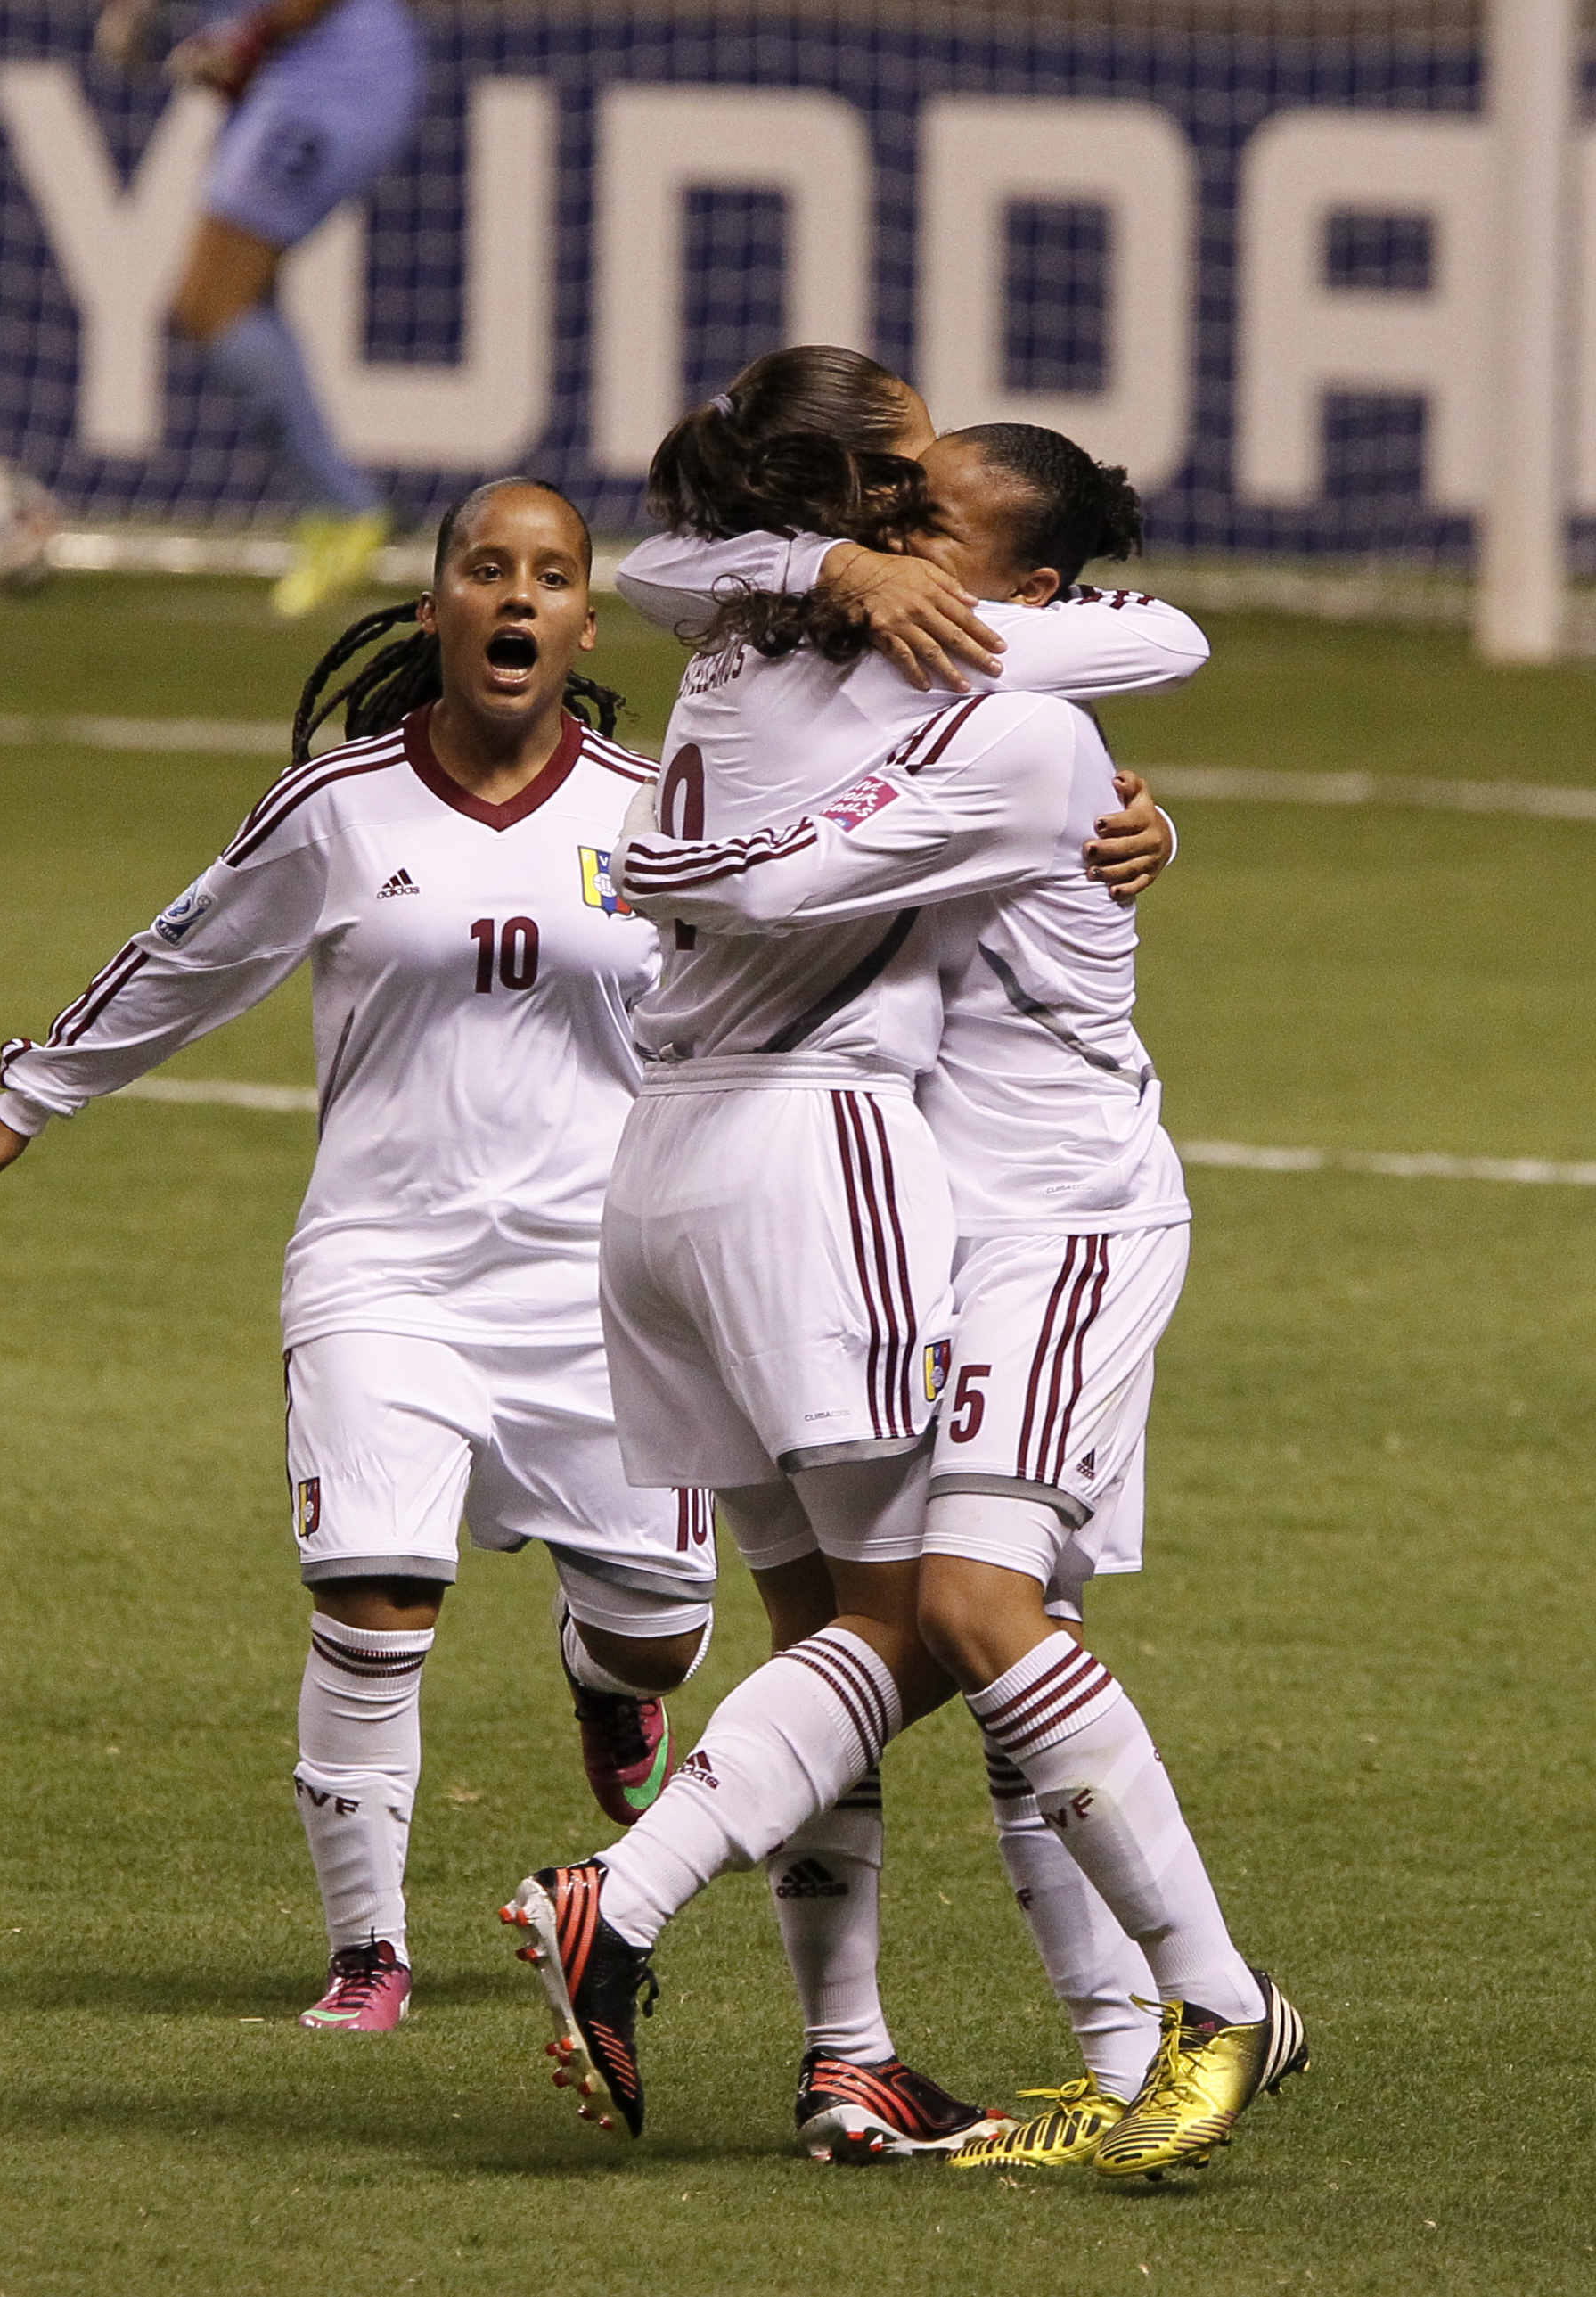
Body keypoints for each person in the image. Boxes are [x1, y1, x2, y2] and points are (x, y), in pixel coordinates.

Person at [502, 419, 1305, 2183]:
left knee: (965, 1609)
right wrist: (821, 575)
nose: (876, 527)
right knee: (930, 1632)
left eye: (919, 515)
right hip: (929, 1227)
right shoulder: (896, 678)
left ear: (1014, 588)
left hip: (1057, 1230)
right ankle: (1058, 2055)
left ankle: (1209, 2002)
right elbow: (688, 572)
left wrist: (645, 863)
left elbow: (783, 878)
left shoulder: (1020, 737)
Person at [0, 479, 718, 2032]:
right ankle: (369, 1951)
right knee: (373, 1600)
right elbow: (193, 946)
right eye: (485, 570)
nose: (516, 597)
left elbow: (797, 954)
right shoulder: (343, 806)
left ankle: (606, 1671)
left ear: (583, 619)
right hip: (387, 1263)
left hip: (599, 1286)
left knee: (665, 1622)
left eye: (550, 575)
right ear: (436, 608)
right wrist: (33, 1095)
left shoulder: (652, 810)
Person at [94, 0, 422, 618]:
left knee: (211, 301)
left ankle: (346, 511)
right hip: (307, 76)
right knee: (226, 302)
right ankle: (334, 512)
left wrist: (245, 39)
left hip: (339, 77)